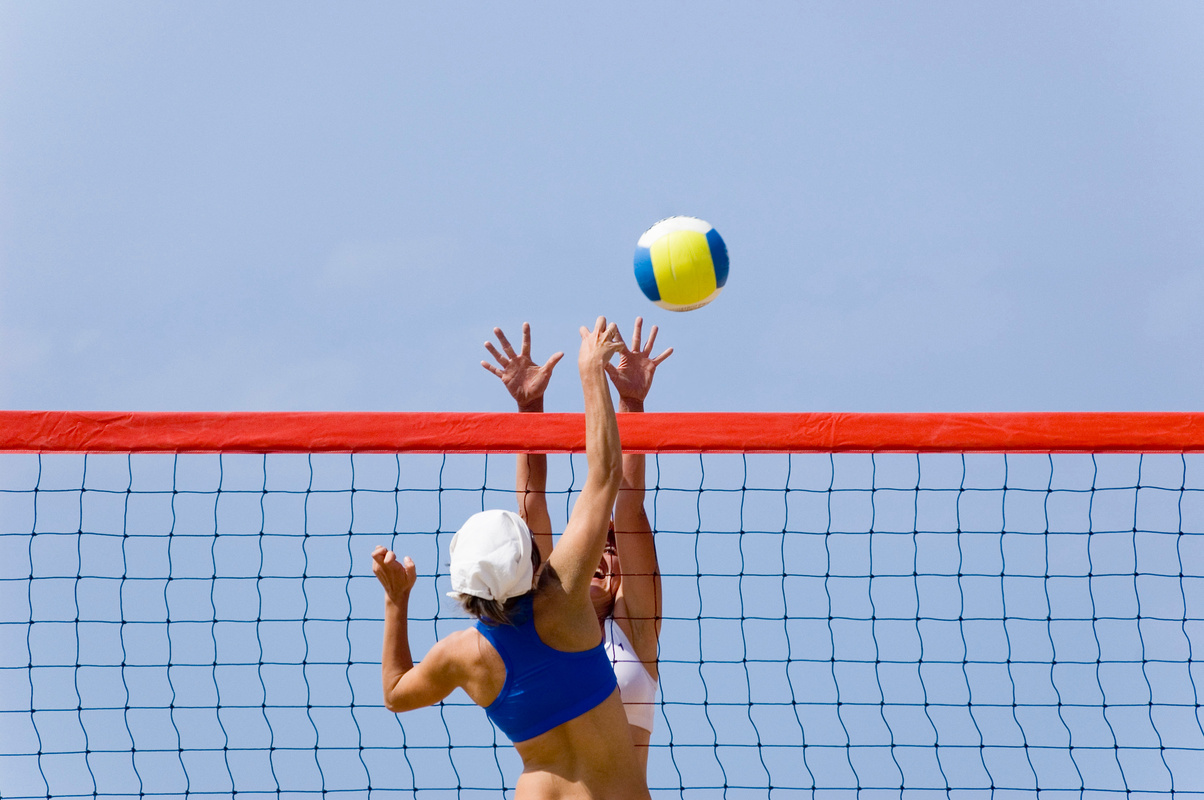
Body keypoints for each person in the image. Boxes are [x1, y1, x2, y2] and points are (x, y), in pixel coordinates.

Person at [372, 317, 650, 800]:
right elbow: (604, 475)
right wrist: (590, 374)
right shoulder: (562, 599)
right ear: (532, 562)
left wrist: (397, 602)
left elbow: (395, 693)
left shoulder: (462, 654)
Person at [482, 318, 670, 772]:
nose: (606, 553)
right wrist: (530, 410)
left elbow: (628, 507)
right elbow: (531, 509)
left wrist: (632, 403)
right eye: (597, 546)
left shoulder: (636, 631)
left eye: (613, 549)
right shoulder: (545, 614)